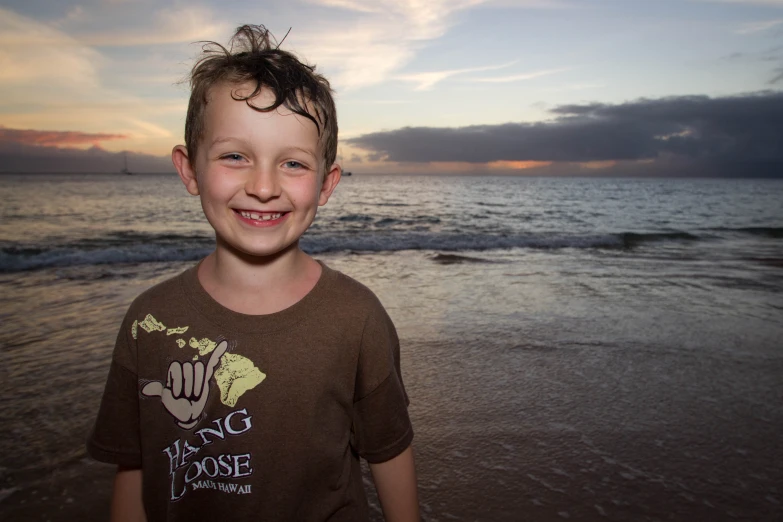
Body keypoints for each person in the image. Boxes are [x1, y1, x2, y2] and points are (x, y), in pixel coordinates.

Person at [87, 24, 419, 522]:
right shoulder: (149, 322)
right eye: (235, 156)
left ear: (327, 184)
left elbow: (389, 449)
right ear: (189, 170)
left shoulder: (357, 318)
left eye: (293, 163)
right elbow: (134, 469)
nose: (263, 186)